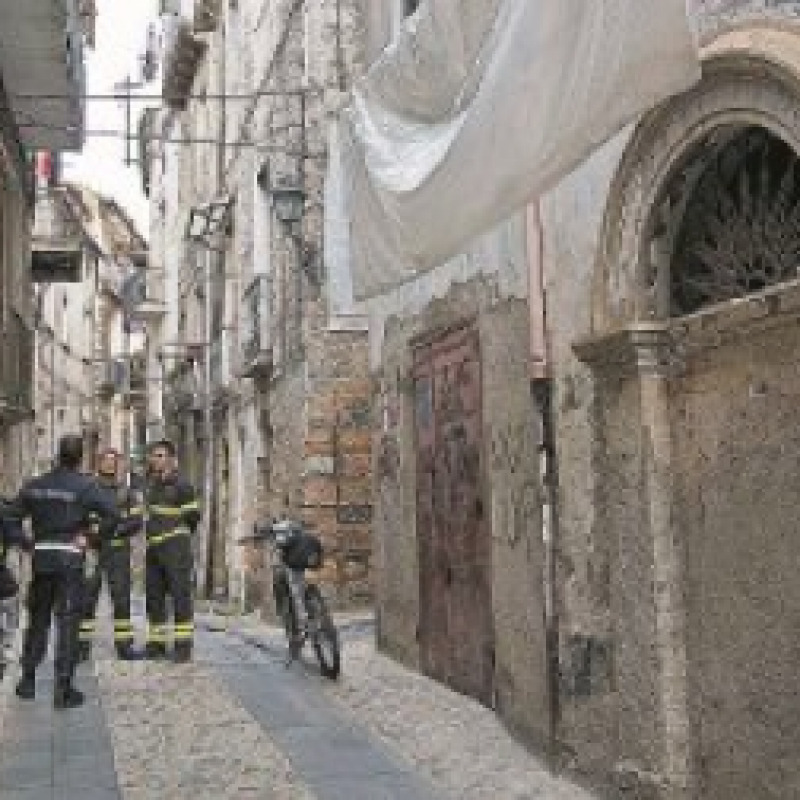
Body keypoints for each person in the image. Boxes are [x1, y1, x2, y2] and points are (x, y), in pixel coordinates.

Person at [6, 435, 118, 709]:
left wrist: (25, 542)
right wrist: (91, 539)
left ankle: (28, 681)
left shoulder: (36, 485)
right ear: (80, 457)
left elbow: (10, 517)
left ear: (58, 455)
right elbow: (113, 516)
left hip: (42, 559)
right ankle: (63, 688)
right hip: (70, 560)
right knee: (68, 623)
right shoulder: (87, 486)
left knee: (38, 620)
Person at [78, 448, 142, 661]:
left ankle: (124, 647)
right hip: (94, 552)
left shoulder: (125, 492)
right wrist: (90, 534)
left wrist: (118, 530)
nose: (109, 464)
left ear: (117, 465)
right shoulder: (88, 490)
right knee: (87, 599)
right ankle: (82, 648)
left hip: (118, 551)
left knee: (122, 599)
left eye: (113, 461)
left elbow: (136, 520)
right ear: (98, 463)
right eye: (105, 461)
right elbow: (78, 517)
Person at [143, 439, 200, 663]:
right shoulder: (152, 483)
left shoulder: (182, 485)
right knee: (154, 597)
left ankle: (183, 648)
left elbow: (193, 517)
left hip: (175, 549)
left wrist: (177, 533)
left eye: (159, 456)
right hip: (154, 549)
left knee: (180, 598)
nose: (155, 460)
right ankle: (157, 644)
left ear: (171, 459)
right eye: (153, 456)